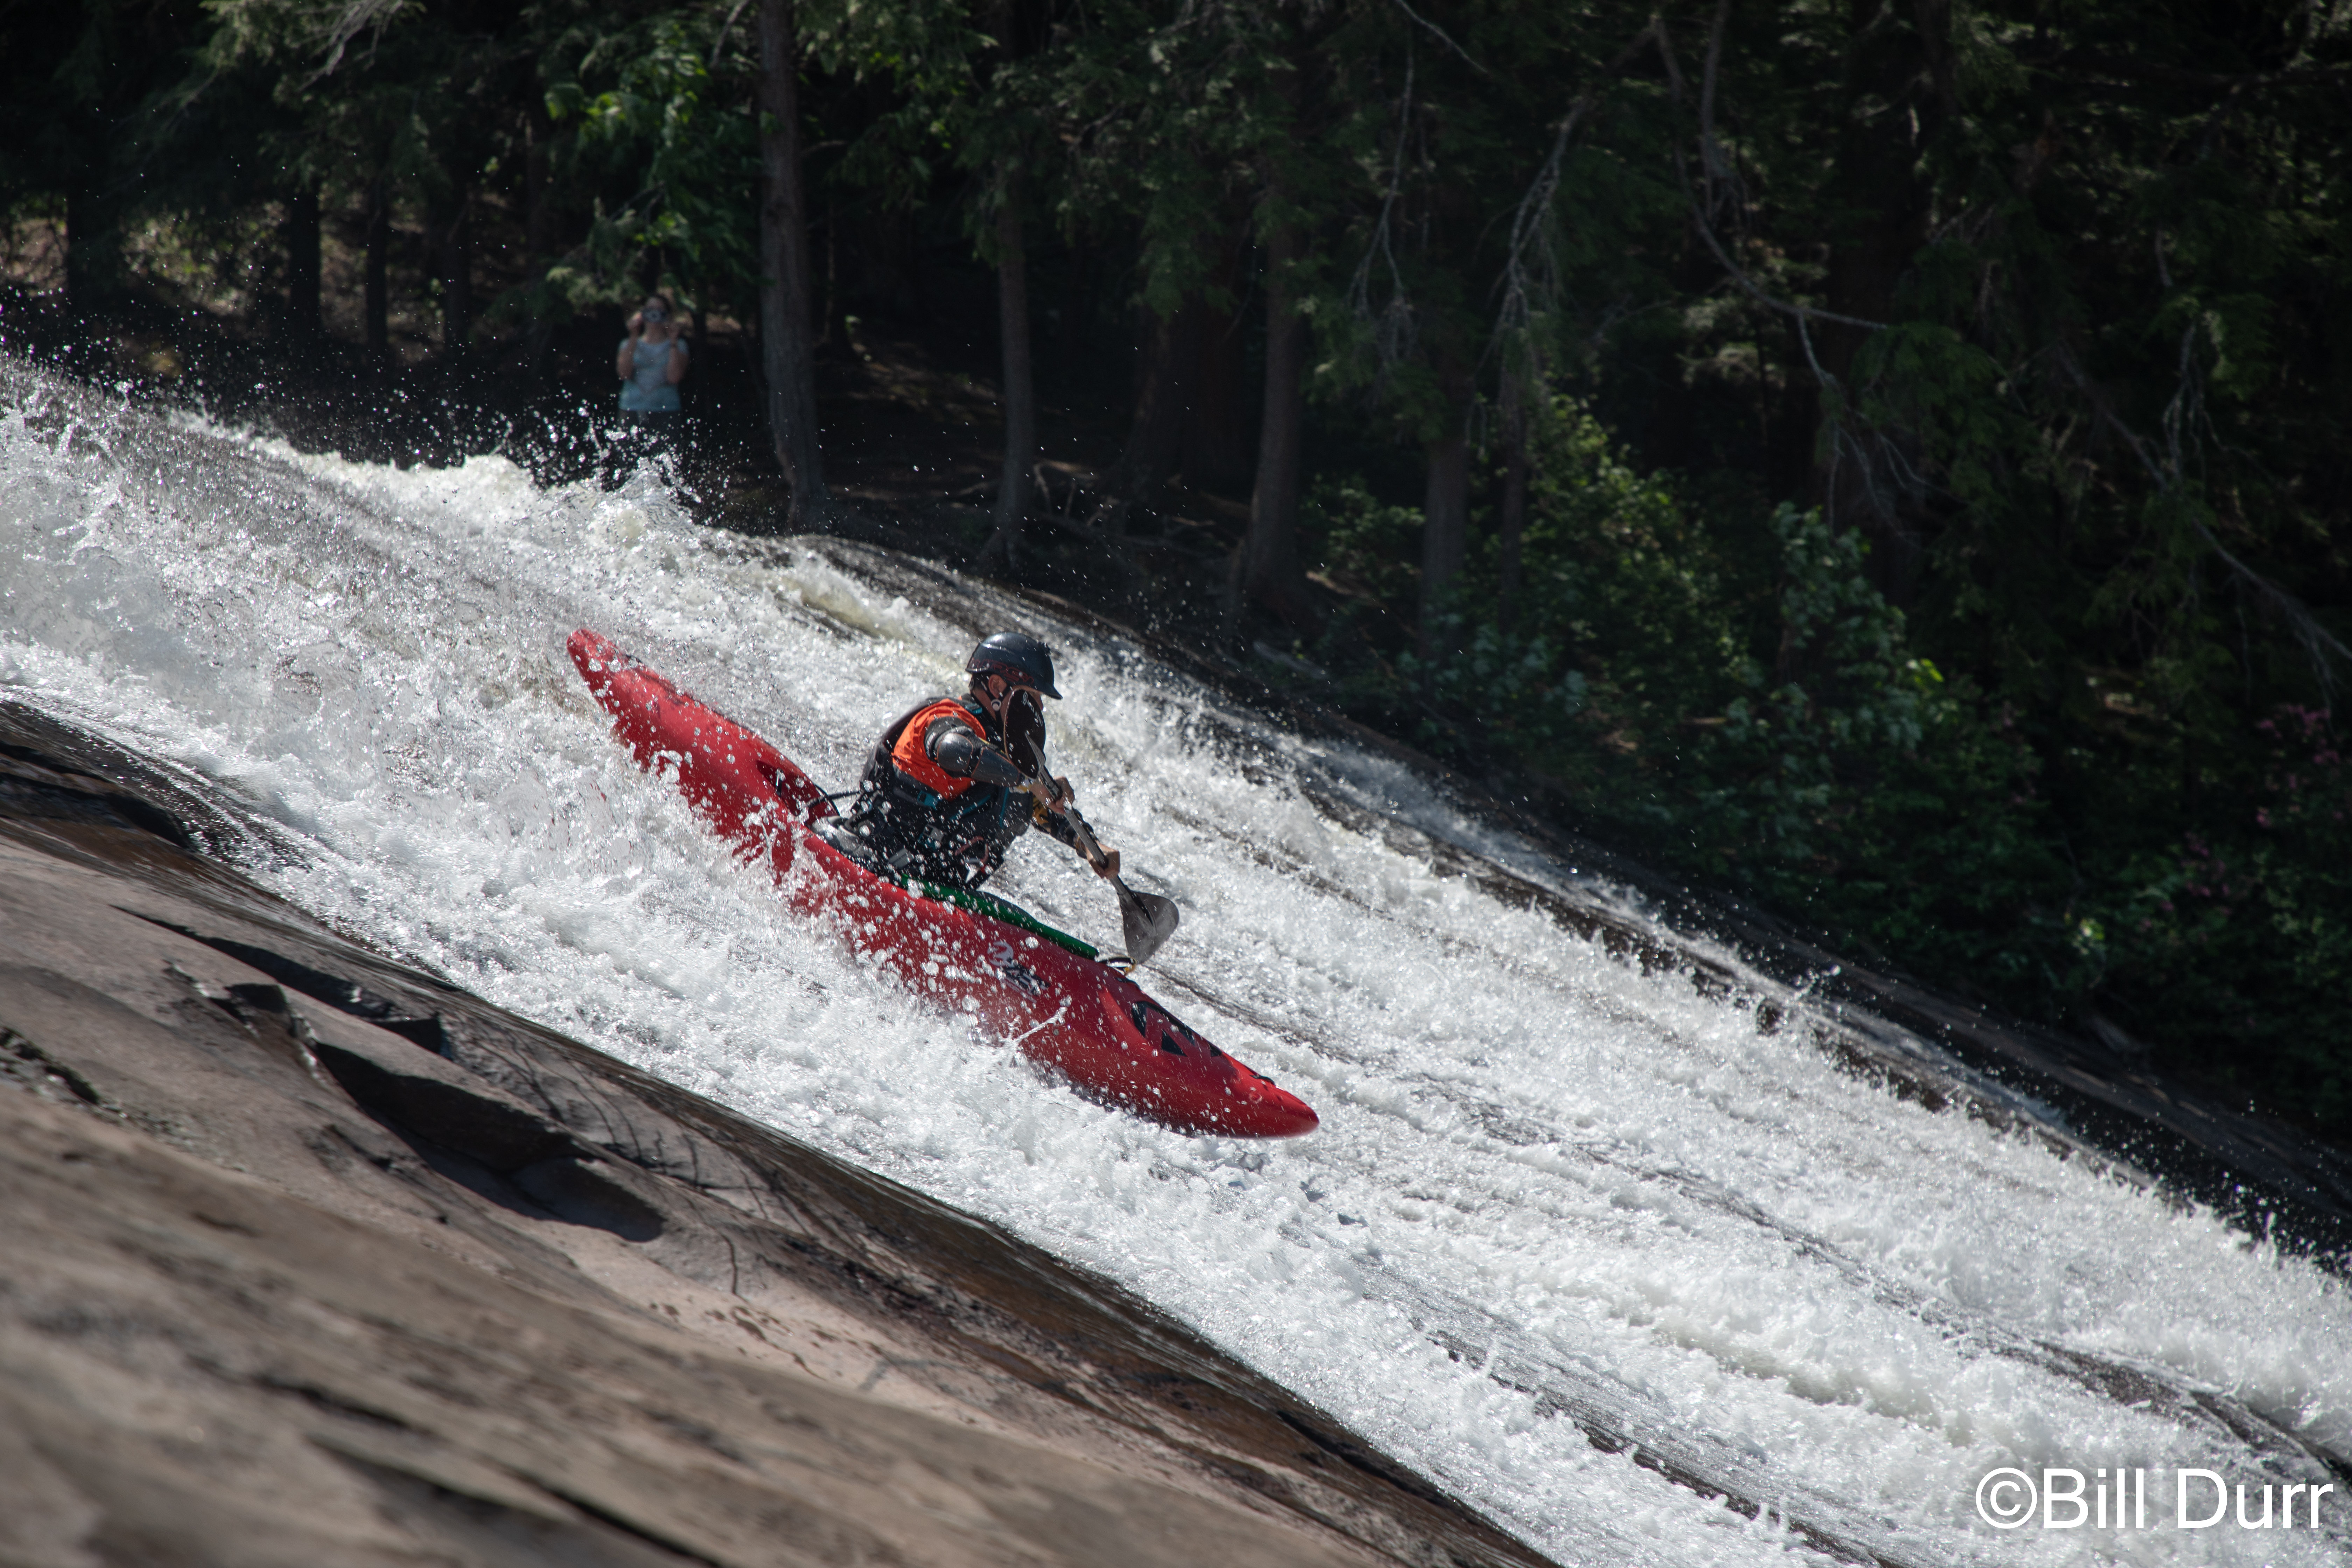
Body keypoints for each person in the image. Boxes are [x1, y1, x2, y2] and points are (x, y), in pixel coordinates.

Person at [816, 632, 1121, 891]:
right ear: (998, 687)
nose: (1040, 708)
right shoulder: (946, 717)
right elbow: (953, 750)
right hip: (869, 860)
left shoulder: (1010, 757)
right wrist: (1028, 780)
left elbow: (1042, 809)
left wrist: (1089, 845)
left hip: (928, 887)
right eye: (1034, 696)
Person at [616, 293, 688, 418]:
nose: (654, 314)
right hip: (631, 410)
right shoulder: (627, 344)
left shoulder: (679, 345)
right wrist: (633, 335)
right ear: (643, 313)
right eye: (650, 309)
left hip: (667, 411)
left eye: (659, 310)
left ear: (667, 315)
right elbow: (624, 374)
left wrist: (673, 341)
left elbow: (674, 378)